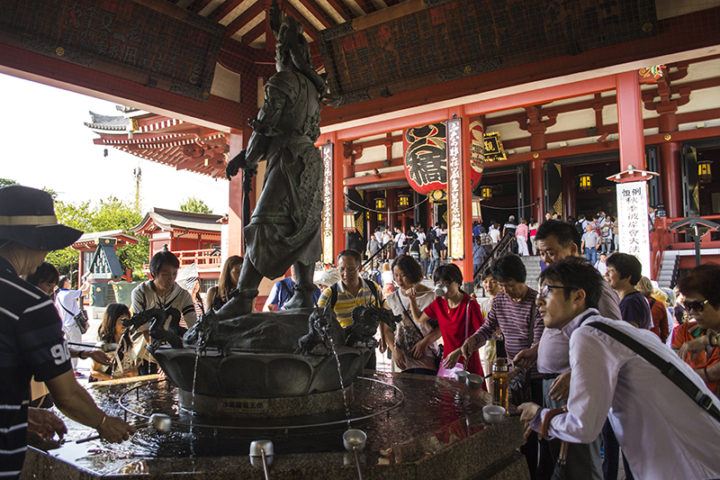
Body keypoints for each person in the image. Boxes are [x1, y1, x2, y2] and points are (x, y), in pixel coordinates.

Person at [518, 257, 720, 480]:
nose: (539, 301)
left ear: (578, 296)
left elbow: (583, 427)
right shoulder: (616, 330)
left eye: (547, 291)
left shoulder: (588, 335)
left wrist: (539, 417)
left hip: (691, 466)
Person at [0, 185, 134, 479]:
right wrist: (103, 422)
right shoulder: (30, 304)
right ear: (33, 242)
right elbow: (67, 393)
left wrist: (19, 415)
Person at [450, 254, 544, 478]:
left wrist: (516, 371)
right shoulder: (500, 300)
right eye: (502, 285)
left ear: (522, 280)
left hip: (536, 377)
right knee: (513, 429)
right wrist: (473, 341)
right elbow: (488, 328)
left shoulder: (536, 302)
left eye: (510, 285)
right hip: (513, 376)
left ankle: (534, 472)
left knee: (534, 433)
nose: (506, 290)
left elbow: (539, 345)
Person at [317, 250, 387, 369]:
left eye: (350, 269)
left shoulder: (373, 288)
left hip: (368, 348)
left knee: (369, 382)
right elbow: (318, 321)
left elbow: (383, 314)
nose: (345, 273)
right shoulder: (330, 294)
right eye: (341, 269)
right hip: (344, 351)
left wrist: (384, 340)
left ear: (359, 269)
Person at [411, 263, 484, 376]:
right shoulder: (439, 303)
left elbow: (482, 339)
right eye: (438, 284)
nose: (442, 288)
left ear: (458, 283)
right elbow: (419, 319)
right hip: (447, 365)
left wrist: (459, 352)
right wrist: (412, 299)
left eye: (447, 283)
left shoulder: (470, 305)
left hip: (467, 364)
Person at [384, 255, 439, 375]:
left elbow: (441, 328)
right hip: (401, 359)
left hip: (426, 358)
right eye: (396, 275)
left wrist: (425, 343)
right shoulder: (392, 299)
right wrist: (394, 350)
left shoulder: (431, 297)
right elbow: (387, 329)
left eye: (403, 275)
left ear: (413, 273)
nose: (399, 280)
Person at [672, 264, 720, 396]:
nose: (691, 312)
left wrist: (707, 340)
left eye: (697, 306)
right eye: (687, 305)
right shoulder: (684, 332)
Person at [131, 249, 198, 330]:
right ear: (153, 274)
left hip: (172, 339)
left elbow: (193, 323)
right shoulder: (140, 293)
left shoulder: (183, 295)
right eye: (165, 274)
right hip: (144, 340)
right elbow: (141, 327)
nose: (171, 278)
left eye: (174, 273)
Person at [90, 303, 140, 382]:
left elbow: (134, 367)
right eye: (122, 320)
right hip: (106, 389)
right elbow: (93, 372)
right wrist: (114, 379)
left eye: (127, 320)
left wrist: (134, 372)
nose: (125, 324)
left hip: (124, 387)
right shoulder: (103, 346)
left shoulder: (127, 343)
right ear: (112, 320)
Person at [605, 253, 652, 330]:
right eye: (607, 270)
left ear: (627, 277)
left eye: (611, 271)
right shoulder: (634, 298)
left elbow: (628, 335)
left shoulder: (630, 303)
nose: (606, 274)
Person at [55, 274, 90, 371]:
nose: (70, 282)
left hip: (65, 325)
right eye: (69, 281)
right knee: (76, 347)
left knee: (69, 346)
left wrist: (83, 283)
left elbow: (79, 291)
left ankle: (68, 367)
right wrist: (88, 282)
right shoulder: (69, 294)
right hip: (73, 325)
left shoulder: (59, 294)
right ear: (65, 283)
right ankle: (73, 370)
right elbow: (86, 291)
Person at [637, 276, 669, 343]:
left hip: (638, 341)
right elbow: (665, 330)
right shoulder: (659, 305)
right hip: (654, 341)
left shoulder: (632, 303)